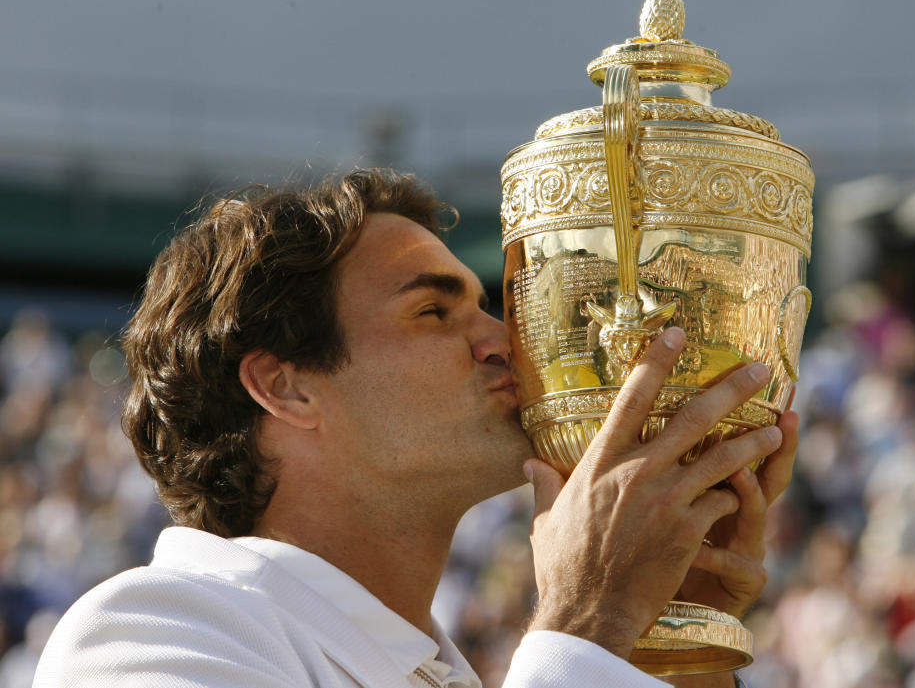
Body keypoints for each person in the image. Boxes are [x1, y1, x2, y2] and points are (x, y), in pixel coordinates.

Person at [33, 169, 798, 688]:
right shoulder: (149, 632)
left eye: (483, 303)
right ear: (285, 385)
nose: (504, 339)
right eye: (435, 311)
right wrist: (589, 622)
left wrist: (665, 649)